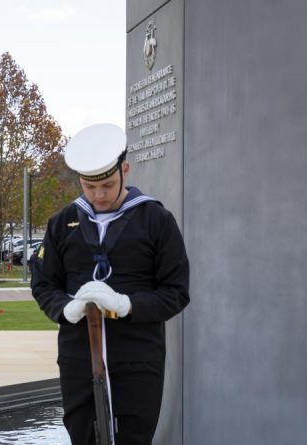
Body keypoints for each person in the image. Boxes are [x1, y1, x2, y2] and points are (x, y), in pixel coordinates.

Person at [31, 123, 189, 445]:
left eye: (107, 184)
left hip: (138, 357)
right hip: (78, 357)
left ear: (125, 170)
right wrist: (66, 308)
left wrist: (128, 305)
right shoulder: (63, 223)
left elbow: (176, 292)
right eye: (90, 187)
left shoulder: (156, 220)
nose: (99, 195)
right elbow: (44, 284)